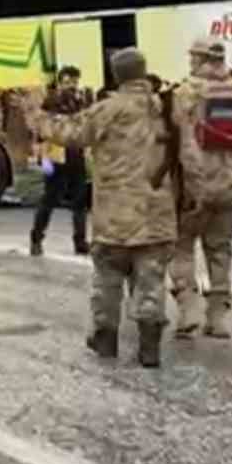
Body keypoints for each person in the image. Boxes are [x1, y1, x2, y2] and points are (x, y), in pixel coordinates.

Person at [36, 47, 176, 368]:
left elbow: (67, 133)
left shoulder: (107, 110)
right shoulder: (166, 108)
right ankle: (150, 346)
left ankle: (106, 338)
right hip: (157, 211)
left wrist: (37, 115)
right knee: (151, 278)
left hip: (114, 214)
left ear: (116, 75)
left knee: (108, 278)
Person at [171, 39, 232, 340]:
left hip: (191, 189)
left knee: (182, 247)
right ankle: (217, 318)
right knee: (220, 250)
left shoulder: (183, 95)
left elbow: (168, 143)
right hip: (229, 189)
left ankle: (188, 308)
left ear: (199, 59)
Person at [31, 66, 91, 257]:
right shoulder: (51, 101)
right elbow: (40, 130)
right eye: (67, 82)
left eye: (74, 82)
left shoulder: (80, 101)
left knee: (80, 200)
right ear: (60, 82)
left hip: (75, 156)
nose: (71, 86)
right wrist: (43, 160)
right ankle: (36, 238)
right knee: (50, 198)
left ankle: (80, 242)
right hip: (56, 157)